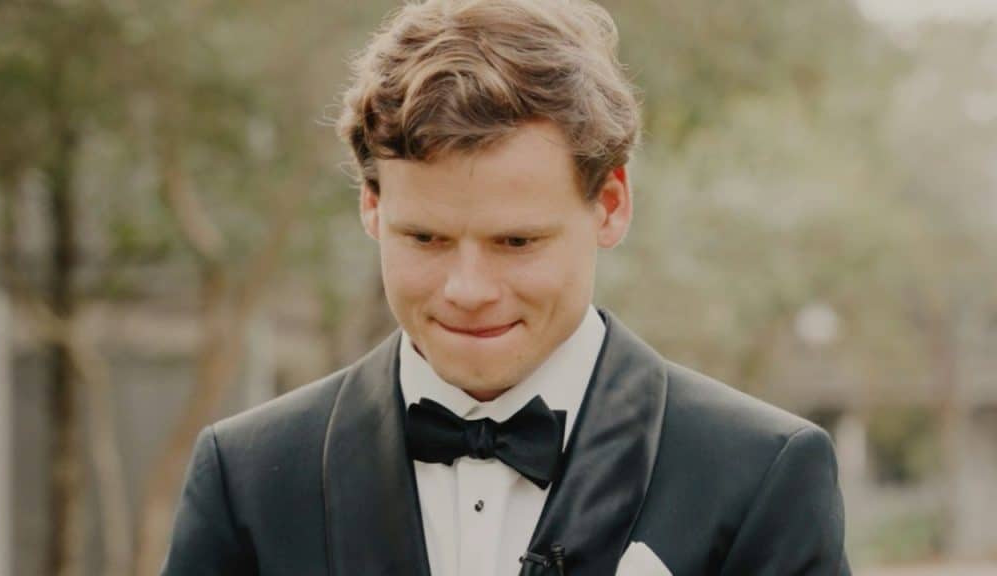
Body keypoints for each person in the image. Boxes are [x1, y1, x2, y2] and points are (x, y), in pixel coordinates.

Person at [162, 1, 850, 574]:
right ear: (371, 205)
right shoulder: (243, 477)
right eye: (425, 238)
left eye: (516, 242)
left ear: (610, 206)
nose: (468, 290)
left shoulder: (764, 475)